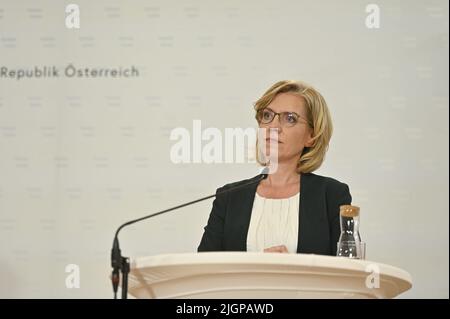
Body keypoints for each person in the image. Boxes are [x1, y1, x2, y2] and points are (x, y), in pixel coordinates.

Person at [198, 80, 352, 255]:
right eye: (267, 116)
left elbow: (347, 274)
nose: (273, 127)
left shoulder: (332, 196)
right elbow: (204, 271)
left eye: (290, 118)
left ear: (312, 136)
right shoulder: (228, 197)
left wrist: (290, 269)